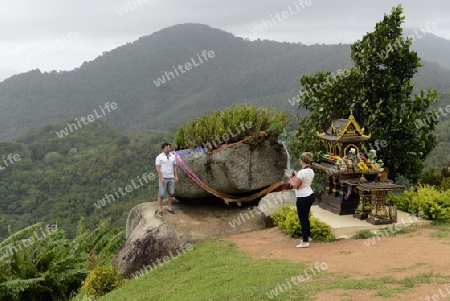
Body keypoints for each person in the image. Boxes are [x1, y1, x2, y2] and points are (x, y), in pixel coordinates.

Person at [285, 152, 315, 248]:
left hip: (303, 197)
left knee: (303, 219)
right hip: (310, 195)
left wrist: (289, 177)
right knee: (306, 217)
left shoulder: (302, 172)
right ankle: (308, 236)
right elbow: (302, 179)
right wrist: (295, 174)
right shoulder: (311, 171)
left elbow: (295, 185)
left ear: (301, 161)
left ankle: (305, 242)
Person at [155, 142, 179, 217]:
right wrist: (161, 177)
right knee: (161, 194)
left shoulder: (173, 156)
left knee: (171, 194)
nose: (168, 149)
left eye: (169, 148)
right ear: (163, 148)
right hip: (163, 178)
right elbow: (158, 168)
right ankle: (160, 210)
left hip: (171, 177)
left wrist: (176, 176)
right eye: (166, 148)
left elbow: (174, 166)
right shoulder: (159, 157)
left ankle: (170, 208)